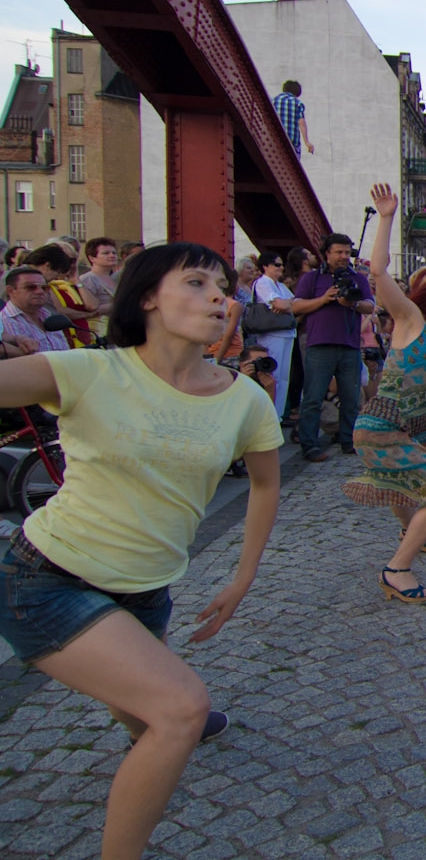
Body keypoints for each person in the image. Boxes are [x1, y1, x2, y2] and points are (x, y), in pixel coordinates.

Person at [0, 242, 283, 860]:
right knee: (180, 709)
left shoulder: (245, 400)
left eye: (221, 286)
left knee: (153, 720)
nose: (219, 296)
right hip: (47, 579)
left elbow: (265, 484)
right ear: (149, 297)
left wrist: (242, 578)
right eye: (196, 283)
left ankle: (167, 727)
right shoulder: (92, 370)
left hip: (147, 593)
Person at [344, 184, 426, 604]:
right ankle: (397, 569)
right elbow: (377, 274)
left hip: (406, 428)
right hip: (380, 426)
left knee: (405, 487)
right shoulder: (411, 319)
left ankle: (411, 530)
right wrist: (386, 217)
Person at [292, 234, 376, 462]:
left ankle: (349, 441)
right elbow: (296, 306)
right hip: (320, 344)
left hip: (349, 345)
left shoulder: (357, 277)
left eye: (347, 252)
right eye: (339, 252)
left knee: (351, 397)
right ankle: (309, 445)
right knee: (313, 397)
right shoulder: (312, 279)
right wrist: (324, 299)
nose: (343, 257)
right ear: (327, 253)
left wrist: (353, 304)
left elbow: (370, 306)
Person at [247, 252, 298, 418]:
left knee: (283, 377)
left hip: (286, 332)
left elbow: (294, 304)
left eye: (281, 264)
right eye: (277, 264)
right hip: (271, 333)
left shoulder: (281, 286)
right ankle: (267, 415)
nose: (281, 267)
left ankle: (278, 415)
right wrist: (284, 305)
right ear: (265, 266)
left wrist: (285, 305)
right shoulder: (262, 283)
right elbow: (280, 304)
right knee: (272, 374)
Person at [1, 266, 70, 353]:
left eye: (44, 288)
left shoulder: (49, 317)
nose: (40, 291)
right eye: (31, 287)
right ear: (11, 291)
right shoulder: (5, 322)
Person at [79, 237, 119, 341]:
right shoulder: (88, 279)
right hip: (99, 333)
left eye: (114, 253)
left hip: (115, 331)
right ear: (92, 258)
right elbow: (87, 308)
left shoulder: (114, 278)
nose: (112, 256)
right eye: (106, 253)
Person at [273, 79, 315, 157]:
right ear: (296, 93)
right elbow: (301, 122)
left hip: (274, 139)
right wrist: (307, 142)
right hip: (291, 141)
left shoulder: (272, 101)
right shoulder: (297, 103)